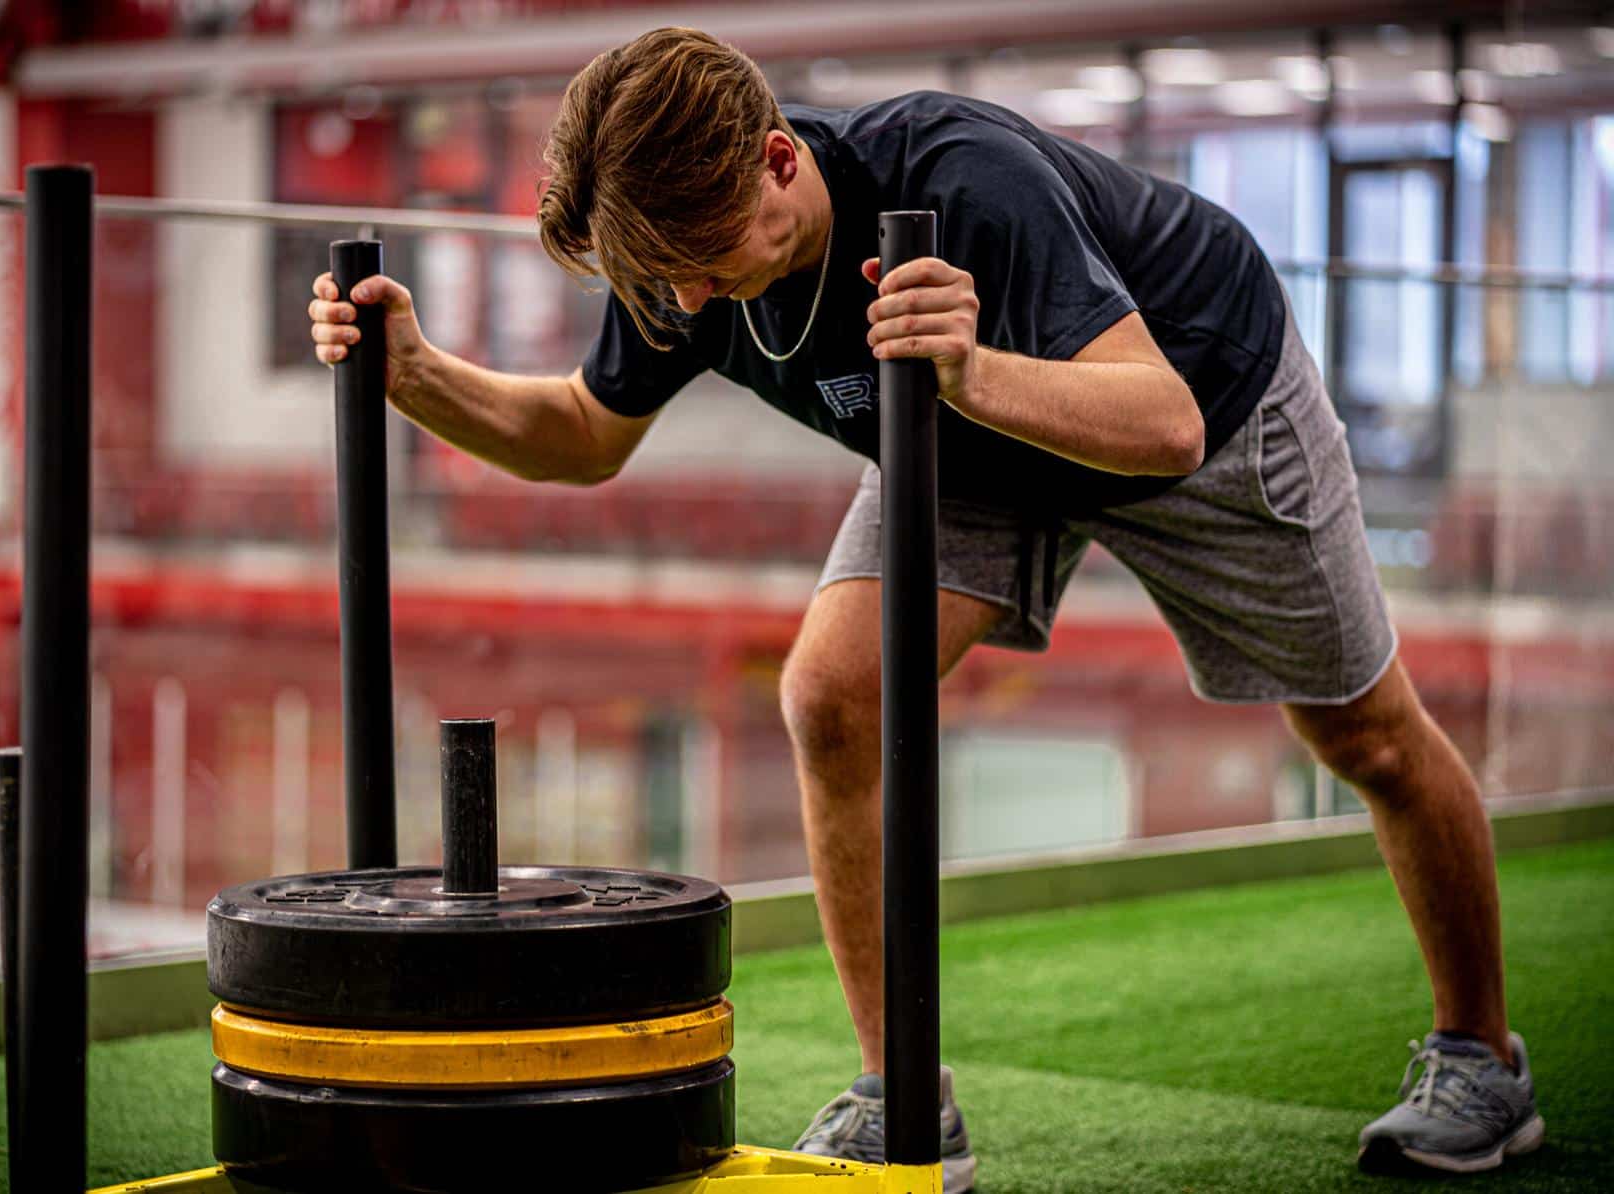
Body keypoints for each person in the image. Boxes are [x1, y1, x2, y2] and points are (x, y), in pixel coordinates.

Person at [308, 26, 1542, 1188]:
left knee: (1363, 735)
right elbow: (579, 439)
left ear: (777, 159)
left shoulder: (966, 179)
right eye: (663, 284)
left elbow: (1156, 422)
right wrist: (415, 376)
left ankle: (1482, 1061)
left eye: (699, 268)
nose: (685, 307)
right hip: (958, 435)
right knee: (830, 697)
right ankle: (901, 1092)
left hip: (1200, 403)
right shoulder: (672, 260)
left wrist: (969, 370)